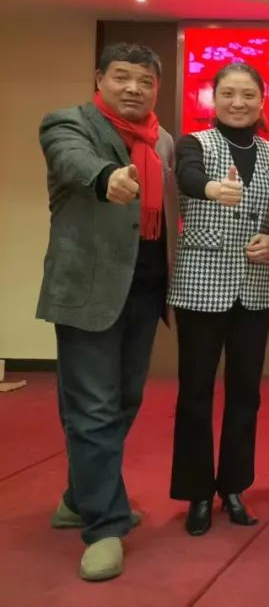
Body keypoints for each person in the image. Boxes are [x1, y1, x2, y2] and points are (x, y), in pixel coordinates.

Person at [37, 42, 175, 581]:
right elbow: (74, 162)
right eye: (122, 77)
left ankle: (79, 498)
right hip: (87, 290)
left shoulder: (162, 140)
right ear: (100, 79)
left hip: (144, 290)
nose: (134, 88)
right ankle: (105, 526)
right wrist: (106, 177)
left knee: (122, 402)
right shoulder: (68, 124)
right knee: (93, 407)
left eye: (145, 81)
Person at [167, 62, 269, 536]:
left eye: (248, 95)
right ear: (213, 100)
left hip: (253, 288)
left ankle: (234, 486)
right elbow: (187, 179)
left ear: (262, 100)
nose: (238, 103)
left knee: (246, 394)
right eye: (228, 94)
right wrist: (214, 189)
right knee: (196, 394)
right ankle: (197, 492)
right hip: (201, 286)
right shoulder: (194, 144)